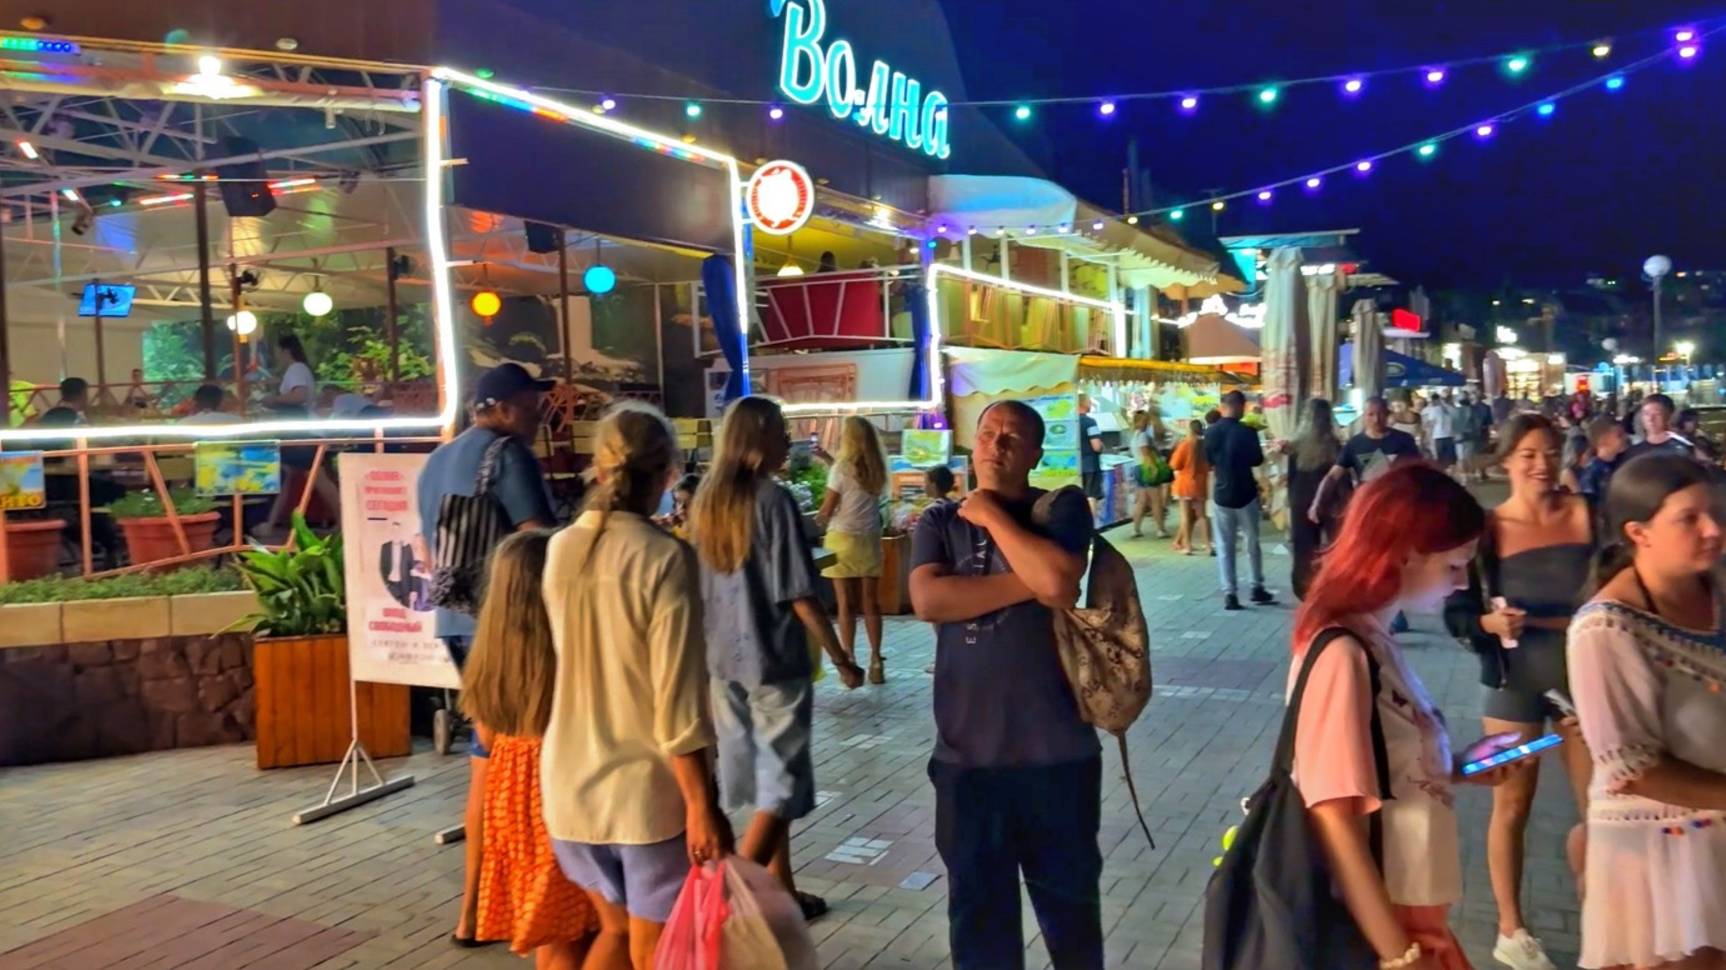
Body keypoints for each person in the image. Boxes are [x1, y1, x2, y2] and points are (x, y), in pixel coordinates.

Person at [1290, 462, 1531, 970]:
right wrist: (1399, 955)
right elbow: (1333, 815)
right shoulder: (1341, 652)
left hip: (1412, 912)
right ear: (1403, 552)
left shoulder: (1375, 638)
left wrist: (1459, 766)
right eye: (1454, 565)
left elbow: (1383, 766)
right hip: (1385, 924)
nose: (1462, 583)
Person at [910, 399, 1100, 970]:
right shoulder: (939, 520)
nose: (997, 444)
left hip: (1057, 757)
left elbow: (1060, 583)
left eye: (1013, 437)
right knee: (979, 928)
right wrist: (1035, 583)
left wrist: (992, 515)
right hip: (967, 762)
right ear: (972, 444)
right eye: (988, 433)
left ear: (1035, 454)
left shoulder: (1061, 508)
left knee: (1071, 924)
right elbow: (928, 599)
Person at [541, 402, 730, 970]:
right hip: (645, 797)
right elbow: (678, 702)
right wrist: (702, 804)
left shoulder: (560, 548)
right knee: (654, 952)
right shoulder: (664, 557)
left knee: (617, 931)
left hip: (568, 788)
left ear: (599, 470)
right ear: (668, 474)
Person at [690, 396, 863, 921]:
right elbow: (799, 593)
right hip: (773, 663)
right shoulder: (773, 499)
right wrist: (841, 657)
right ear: (758, 438)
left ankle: (780, 888)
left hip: (722, 664)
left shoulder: (707, 499)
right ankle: (728, 900)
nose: (790, 441)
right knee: (782, 788)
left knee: (761, 784)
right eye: (782, 432)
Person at [1442, 415, 1594, 970]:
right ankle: (1511, 929)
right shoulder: (1487, 531)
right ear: (1506, 460)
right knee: (1510, 804)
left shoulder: (1588, 514)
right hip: (1515, 686)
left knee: (1599, 807)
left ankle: (1602, 916)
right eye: (1528, 454)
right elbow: (1457, 609)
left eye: (1551, 452)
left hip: (1584, 687)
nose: (1542, 464)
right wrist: (1487, 624)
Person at [1567, 453, 1726, 970]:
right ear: (1639, 533)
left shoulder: (1718, 590)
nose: (1712, 530)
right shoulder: (1606, 628)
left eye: (1716, 513)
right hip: (1664, 853)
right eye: (1689, 519)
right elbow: (1634, 768)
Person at [417, 362, 557, 945]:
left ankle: (473, 913)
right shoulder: (508, 455)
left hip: (454, 624)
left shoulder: (435, 461)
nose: (537, 416)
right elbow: (538, 541)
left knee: (486, 760)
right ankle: (528, 903)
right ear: (497, 407)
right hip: (506, 630)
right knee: (521, 762)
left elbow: (429, 548)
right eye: (529, 406)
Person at [458, 531, 597, 965]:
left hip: (512, 801)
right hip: (561, 790)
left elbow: (484, 740)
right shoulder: (570, 650)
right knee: (578, 931)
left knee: (551, 929)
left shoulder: (489, 654)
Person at [817, 415, 889, 684]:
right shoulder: (877, 468)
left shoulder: (841, 468)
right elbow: (857, 488)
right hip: (870, 538)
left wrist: (819, 519)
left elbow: (827, 508)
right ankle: (876, 660)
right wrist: (828, 460)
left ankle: (849, 657)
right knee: (871, 602)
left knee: (845, 604)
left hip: (842, 539)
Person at [1205, 389, 1273, 611]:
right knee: (1252, 542)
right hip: (1246, 494)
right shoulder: (1248, 432)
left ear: (1224, 406)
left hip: (1222, 494)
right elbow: (1257, 460)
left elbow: (1208, 460)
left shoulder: (1211, 432)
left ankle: (1230, 593)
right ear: (1240, 406)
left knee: (1225, 545)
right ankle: (1256, 587)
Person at [1312, 397, 1423, 519]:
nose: (1376, 420)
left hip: (1398, 507)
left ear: (1387, 414)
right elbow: (1333, 476)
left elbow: (1420, 472)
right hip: (1367, 508)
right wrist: (1317, 502)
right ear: (1364, 416)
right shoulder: (1355, 444)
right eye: (1371, 414)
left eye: (1380, 414)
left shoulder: (1404, 440)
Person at [1285, 398, 1341, 600]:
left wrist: (1290, 500)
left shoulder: (1296, 446)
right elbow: (1339, 476)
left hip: (1300, 499)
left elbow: (1291, 477)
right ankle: (1330, 585)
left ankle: (1304, 589)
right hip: (1328, 500)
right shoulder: (1333, 445)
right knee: (1333, 546)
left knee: (1303, 547)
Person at [1169, 418, 1210, 556]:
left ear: (1190, 430)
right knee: (1202, 516)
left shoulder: (1185, 444)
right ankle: (1208, 545)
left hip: (1185, 484)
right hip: (1201, 484)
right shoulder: (1205, 445)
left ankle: (1188, 546)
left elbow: (1175, 464)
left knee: (1185, 516)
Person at [1130, 408, 1169, 539]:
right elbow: (1146, 453)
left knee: (1141, 501)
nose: (1147, 423)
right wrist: (1154, 468)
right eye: (1145, 421)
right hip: (1147, 468)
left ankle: (1136, 529)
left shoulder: (1134, 436)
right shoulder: (1143, 436)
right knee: (1156, 501)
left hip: (1137, 467)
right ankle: (1160, 530)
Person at [1577, 416, 1629, 509]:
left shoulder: (1626, 461)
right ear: (1603, 441)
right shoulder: (1592, 473)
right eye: (1619, 435)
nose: (1625, 437)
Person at [1626, 393, 1694, 461]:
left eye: (1657, 414)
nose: (1650, 419)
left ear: (1669, 416)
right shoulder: (1634, 452)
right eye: (1646, 414)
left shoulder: (1682, 448)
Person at [261, 334, 315, 413]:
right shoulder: (297, 368)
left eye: (278, 353)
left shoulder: (296, 368)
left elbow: (299, 396)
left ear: (286, 352)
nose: (277, 357)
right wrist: (280, 381)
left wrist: (274, 399)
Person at [1078, 393, 1106, 518]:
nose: (1091, 405)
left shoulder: (1070, 422)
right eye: (1089, 402)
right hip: (1090, 465)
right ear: (1083, 403)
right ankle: (1090, 526)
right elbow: (1096, 446)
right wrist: (1102, 447)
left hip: (1073, 466)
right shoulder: (1090, 423)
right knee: (1090, 497)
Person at [1423, 392, 1458, 475]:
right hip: (1450, 436)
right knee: (1451, 459)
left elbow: (1431, 424)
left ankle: (1444, 475)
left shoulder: (1434, 410)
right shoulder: (1451, 408)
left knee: (1441, 459)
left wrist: (1425, 427)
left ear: (1434, 400)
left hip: (1438, 437)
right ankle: (1452, 474)